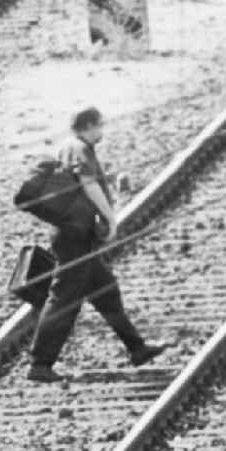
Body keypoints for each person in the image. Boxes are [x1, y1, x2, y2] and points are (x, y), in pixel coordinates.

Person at [27, 106, 167, 383]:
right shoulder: (78, 147)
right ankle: (39, 364)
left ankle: (137, 349)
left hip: (78, 235)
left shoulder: (71, 147)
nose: (102, 130)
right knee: (64, 299)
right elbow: (88, 183)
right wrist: (110, 217)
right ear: (89, 126)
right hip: (74, 236)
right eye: (100, 125)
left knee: (105, 291)